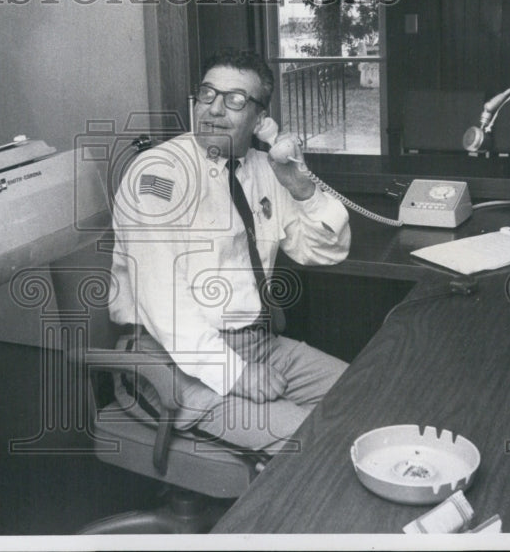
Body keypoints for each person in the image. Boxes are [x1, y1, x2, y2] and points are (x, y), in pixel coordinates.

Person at [108, 49, 351, 456]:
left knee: (369, 396)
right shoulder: (158, 176)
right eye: (207, 94)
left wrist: (302, 188)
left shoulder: (265, 170)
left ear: (260, 120)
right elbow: (163, 301)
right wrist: (235, 374)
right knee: (317, 447)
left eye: (235, 100)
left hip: (260, 345)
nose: (215, 109)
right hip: (170, 363)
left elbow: (323, 252)